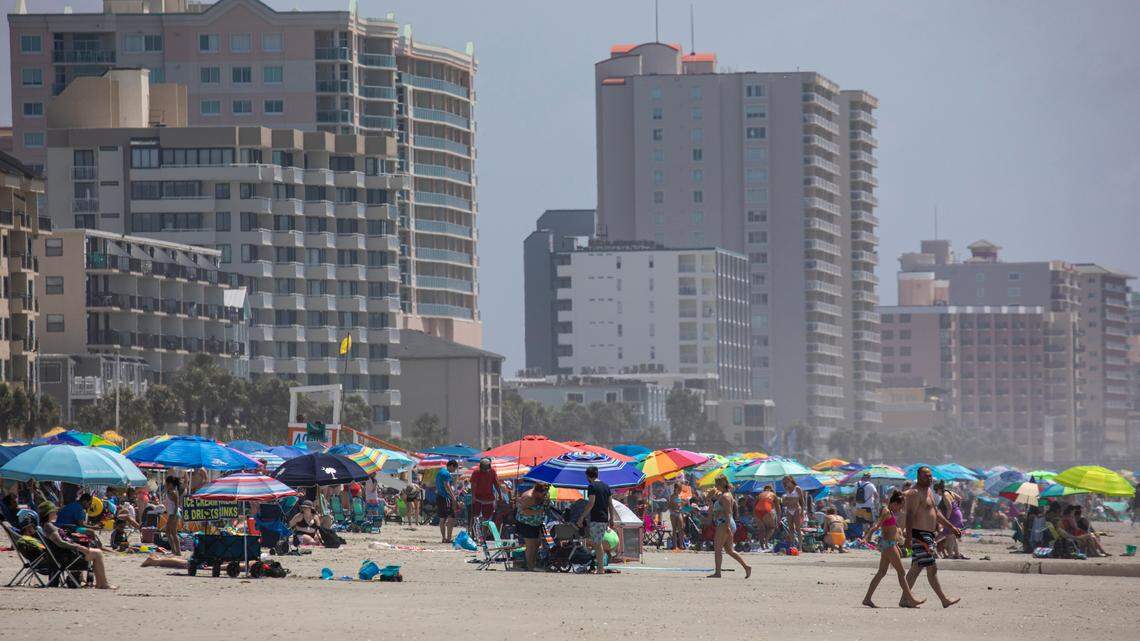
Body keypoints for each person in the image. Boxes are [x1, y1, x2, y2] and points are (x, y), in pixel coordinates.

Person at [902, 466, 961, 608]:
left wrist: (951, 527)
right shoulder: (915, 493)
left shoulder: (928, 491)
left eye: (930, 476)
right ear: (919, 477)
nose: (929, 479)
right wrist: (908, 538)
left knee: (916, 568)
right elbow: (909, 515)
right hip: (920, 535)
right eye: (925, 476)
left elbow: (936, 512)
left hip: (928, 535)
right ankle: (944, 599)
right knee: (931, 568)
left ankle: (905, 599)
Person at [861, 491, 924, 608]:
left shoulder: (889, 511)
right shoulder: (886, 511)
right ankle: (911, 599)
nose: (900, 509)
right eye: (900, 506)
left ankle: (867, 598)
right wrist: (866, 537)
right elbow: (877, 526)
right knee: (901, 572)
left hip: (889, 545)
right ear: (895, 503)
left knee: (881, 573)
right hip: (889, 545)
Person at [38, 501, 116, 590]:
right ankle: (103, 584)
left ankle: (100, 583)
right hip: (65, 557)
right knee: (98, 553)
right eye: (54, 511)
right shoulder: (49, 526)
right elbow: (60, 542)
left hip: (61, 555)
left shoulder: (46, 525)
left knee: (96, 552)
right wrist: (78, 547)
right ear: (49, 513)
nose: (56, 513)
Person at [706, 476, 751, 578]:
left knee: (717, 549)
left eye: (717, 484)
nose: (715, 486)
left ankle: (718, 572)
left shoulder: (726, 496)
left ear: (720, 484)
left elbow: (728, 513)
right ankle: (747, 567)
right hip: (726, 523)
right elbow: (713, 500)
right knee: (729, 550)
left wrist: (727, 527)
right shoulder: (724, 495)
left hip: (725, 523)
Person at [577, 466, 614, 575]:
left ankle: (600, 569)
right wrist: (612, 518)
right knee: (598, 543)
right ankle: (600, 567)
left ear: (588, 476)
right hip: (604, 518)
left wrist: (582, 517)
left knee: (597, 544)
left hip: (596, 517)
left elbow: (591, 503)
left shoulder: (592, 486)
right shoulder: (606, 486)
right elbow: (610, 504)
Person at [515, 481, 549, 571]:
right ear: (537, 492)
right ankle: (530, 566)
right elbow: (523, 511)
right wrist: (538, 512)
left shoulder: (539, 496)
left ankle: (533, 564)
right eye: (543, 493)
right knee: (530, 545)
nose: (544, 495)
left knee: (537, 543)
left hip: (535, 524)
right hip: (525, 523)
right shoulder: (529, 497)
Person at [469, 458, 505, 536]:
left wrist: (500, 495)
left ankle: (483, 536)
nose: (485, 470)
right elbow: (473, 485)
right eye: (483, 468)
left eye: (486, 468)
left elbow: (496, 484)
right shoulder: (476, 472)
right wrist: (473, 497)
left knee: (486, 518)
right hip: (478, 498)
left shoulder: (492, 472)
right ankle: (473, 535)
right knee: (475, 517)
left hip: (489, 499)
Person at [436, 460, 460, 543]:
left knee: (442, 518)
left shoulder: (440, 472)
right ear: (452, 466)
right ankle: (449, 538)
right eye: (455, 468)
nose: (454, 470)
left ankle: (444, 538)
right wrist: (453, 497)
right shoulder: (446, 474)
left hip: (439, 496)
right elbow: (447, 485)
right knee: (451, 517)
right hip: (445, 497)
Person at [781, 475, 806, 547]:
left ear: (791, 480)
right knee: (790, 528)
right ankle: (792, 544)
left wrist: (802, 511)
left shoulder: (797, 488)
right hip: (789, 510)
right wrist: (788, 500)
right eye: (785, 481)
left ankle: (800, 546)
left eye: (787, 481)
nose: (786, 482)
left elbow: (801, 500)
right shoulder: (787, 489)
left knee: (798, 528)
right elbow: (785, 502)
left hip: (796, 509)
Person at [854, 472, 878, 538]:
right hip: (868, 506)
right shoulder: (871, 485)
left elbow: (853, 495)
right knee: (870, 522)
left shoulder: (857, 484)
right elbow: (876, 495)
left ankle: (859, 536)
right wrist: (876, 502)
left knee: (859, 522)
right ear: (869, 478)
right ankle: (868, 536)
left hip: (858, 507)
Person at [162, 476, 182, 555]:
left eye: (166, 483)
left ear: (170, 484)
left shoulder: (173, 492)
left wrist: (173, 515)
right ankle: (176, 551)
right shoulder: (170, 491)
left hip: (174, 513)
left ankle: (176, 551)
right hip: (173, 513)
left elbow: (177, 504)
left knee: (169, 532)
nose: (165, 485)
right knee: (173, 533)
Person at [668, 483, 686, 550]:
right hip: (673, 513)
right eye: (679, 489)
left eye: (680, 489)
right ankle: (675, 545)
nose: (679, 490)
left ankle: (681, 545)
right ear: (675, 489)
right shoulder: (672, 496)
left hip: (679, 513)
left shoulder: (680, 495)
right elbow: (670, 505)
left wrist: (682, 504)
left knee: (681, 529)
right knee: (674, 529)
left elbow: (680, 505)